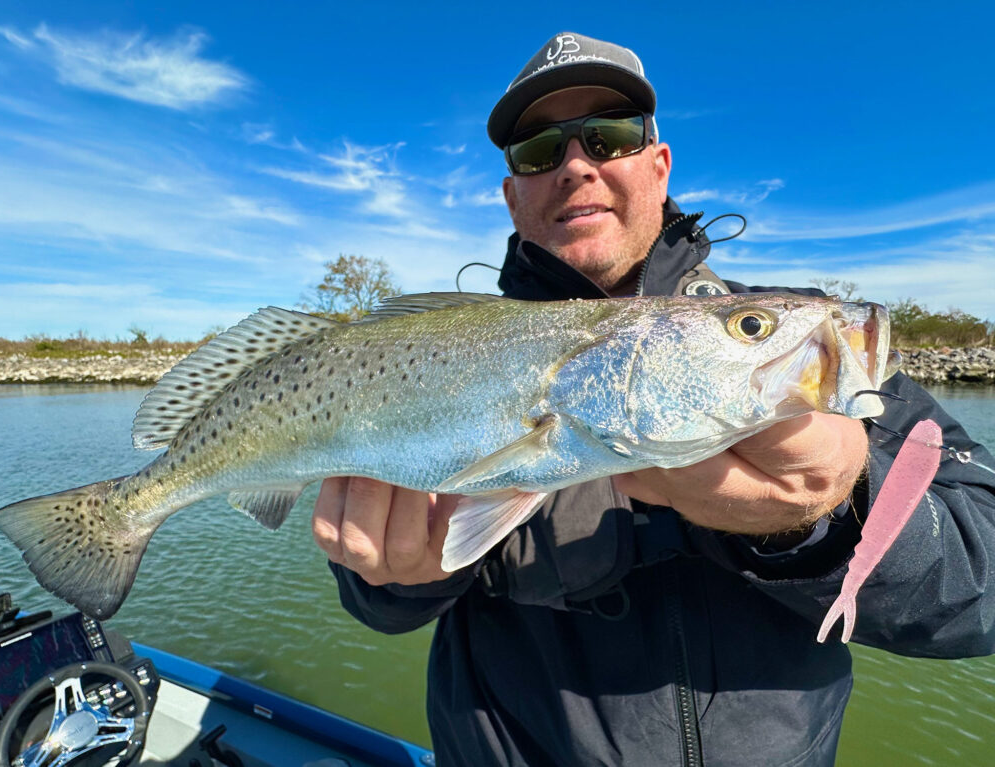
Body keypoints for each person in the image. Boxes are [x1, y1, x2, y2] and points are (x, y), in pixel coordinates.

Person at [312, 32, 995, 767]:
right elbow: (378, 595)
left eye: (608, 136)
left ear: (659, 166)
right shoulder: (436, 350)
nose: (576, 164)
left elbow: (981, 585)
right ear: (512, 194)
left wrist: (834, 512)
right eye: (539, 151)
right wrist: (389, 578)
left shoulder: (804, 349)